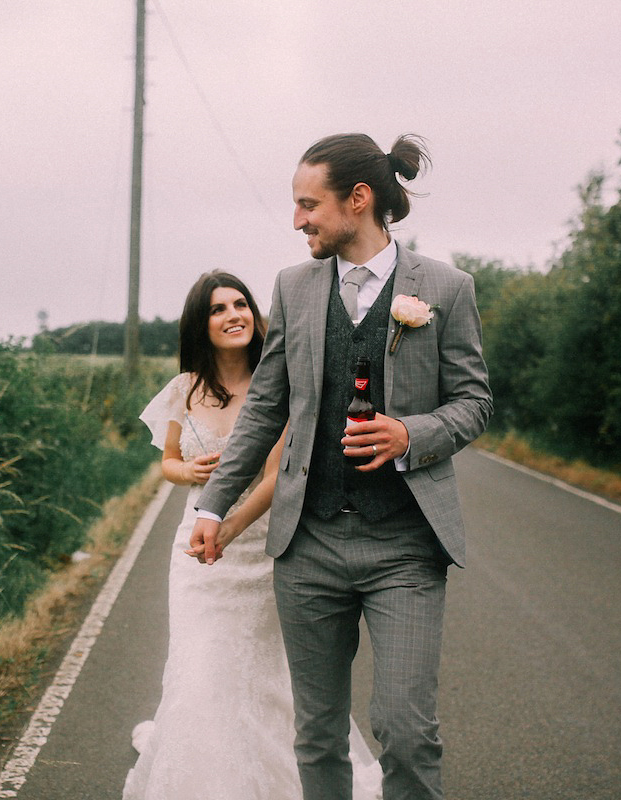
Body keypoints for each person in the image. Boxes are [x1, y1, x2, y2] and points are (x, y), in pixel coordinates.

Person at [190, 133, 492, 800]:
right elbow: (266, 406)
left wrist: (410, 432)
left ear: (358, 200)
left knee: (406, 730)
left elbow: (474, 403)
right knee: (317, 732)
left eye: (308, 204)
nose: (298, 220)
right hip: (309, 546)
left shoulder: (445, 287)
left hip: (406, 547)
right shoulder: (293, 289)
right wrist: (214, 505)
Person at [124, 270, 383, 800]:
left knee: (267, 672)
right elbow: (168, 463)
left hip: (263, 546)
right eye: (218, 309)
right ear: (202, 324)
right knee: (198, 668)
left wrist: (229, 524)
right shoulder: (184, 390)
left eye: (240, 304)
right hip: (196, 551)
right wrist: (192, 476)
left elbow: (276, 477)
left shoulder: (279, 384)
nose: (233, 315)